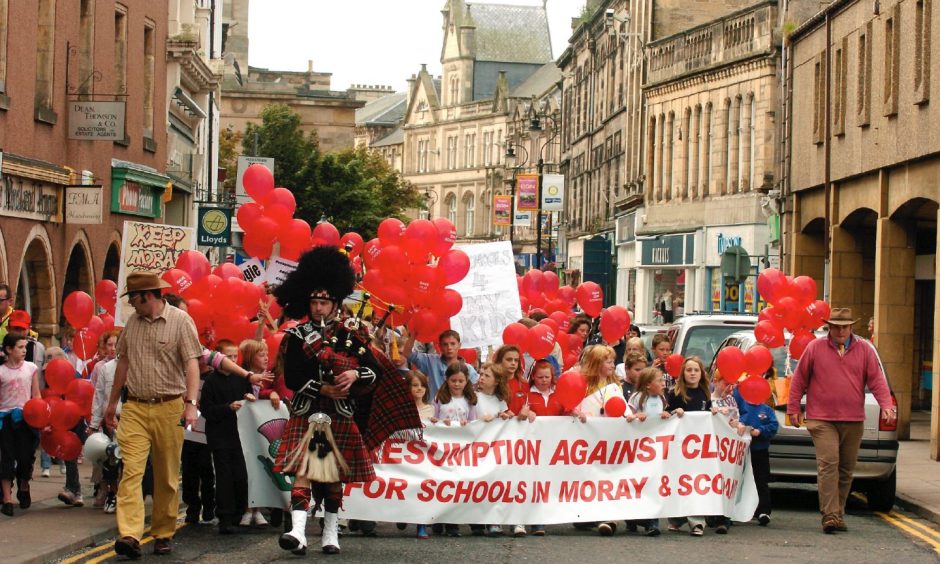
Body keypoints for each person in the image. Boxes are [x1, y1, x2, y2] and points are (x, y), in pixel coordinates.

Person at [272, 246, 422, 555]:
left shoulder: (354, 332)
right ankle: (298, 532)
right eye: (313, 301)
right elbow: (292, 379)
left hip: (340, 413)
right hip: (309, 409)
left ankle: (330, 532)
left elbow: (373, 372)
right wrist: (323, 389)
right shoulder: (297, 335)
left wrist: (354, 377)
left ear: (336, 302)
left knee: (333, 478)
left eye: (324, 302)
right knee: (303, 470)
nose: (318, 308)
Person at [104, 272, 203, 559]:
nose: (131, 303)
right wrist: (112, 404)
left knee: (167, 476)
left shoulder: (181, 321)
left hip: (170, 405)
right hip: (134, 406)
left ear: (148, 295)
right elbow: (123, 363)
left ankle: (162, 532)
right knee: (131, 471)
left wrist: (191, 403)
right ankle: (130, 535)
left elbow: (192, 364)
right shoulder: (132, 324)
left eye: (133, 297)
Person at [787, 307, 895, 534]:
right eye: (835, 326)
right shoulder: (814, 348)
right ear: (829, 327)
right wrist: (793, 408)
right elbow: (799, 380)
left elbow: (876, 381)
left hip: (853, 418)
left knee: (846, 469)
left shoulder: (864, 350)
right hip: (821, 418)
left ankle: (839, 511)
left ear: (851, 327)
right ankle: (830, 515)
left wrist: (886, 405)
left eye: (844, 326)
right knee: (829, 464)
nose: (840, 330)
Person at [200, 341, 255, 535]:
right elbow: (206, 410)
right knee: (224, 477)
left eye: (235, 357)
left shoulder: (240, 378)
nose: (233, 361)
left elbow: (249, 394)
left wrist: (248, 398)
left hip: (239, 434)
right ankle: (225, 516)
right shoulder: (211, 382)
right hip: (220, 435)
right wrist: (227, 408)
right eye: (228, 357)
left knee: (240, 474)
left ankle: (240, 512)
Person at [570, 345, 623, 536]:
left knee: (609, 475)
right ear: (597, 363)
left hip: (610, 439)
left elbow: (622, 409)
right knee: (590, 475)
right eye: (608, 361)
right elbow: (570, 404)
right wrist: (574, 410)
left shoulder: (615, 385)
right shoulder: (582, 384)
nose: (612, 365)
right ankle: (588, 513)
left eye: (612, 361)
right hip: (589, 439)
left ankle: (610, 516)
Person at [666, 356, 712, 536]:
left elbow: (709, 416)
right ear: (683, 373)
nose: (692, 374)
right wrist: (672, 412)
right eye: (689, 370)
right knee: (680, 482)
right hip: (679, 447)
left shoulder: (706, 393)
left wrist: (714, 413)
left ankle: (697, 521)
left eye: (696, 370)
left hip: (699, 450)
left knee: (697, 482)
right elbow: (666, 415)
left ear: (701, 374)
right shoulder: (675, 394)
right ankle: (676, 519)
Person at [431, 361, 477, 537]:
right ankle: (438, 520)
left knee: (457, 485)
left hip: (461, 451)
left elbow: (474, 422)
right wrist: (440, 423)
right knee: (441, 484)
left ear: (466, 382)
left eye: (460, 381)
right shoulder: (439, 398)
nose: (457, 384)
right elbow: (432, 419)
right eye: (453, 381)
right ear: (447, 380)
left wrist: (467, 424)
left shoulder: (469, 400)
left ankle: (453, 523)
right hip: (442, 449)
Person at [625, 367, 670, 536]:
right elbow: (628, 416)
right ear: (649, 384)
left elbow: (661, 416)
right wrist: (637, 416)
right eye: (659, 381)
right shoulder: (637, 398)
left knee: (653, 483)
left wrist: (666, 414)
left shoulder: (661, 398)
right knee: (638, 483)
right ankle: (632, 519)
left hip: (656, 449)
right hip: (639, 448)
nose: (662, 383)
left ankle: (652, 522)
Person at [0, 334, 41, 516]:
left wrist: (41, 415)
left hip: (26, 418)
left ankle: (24, 484)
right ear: (9, 349)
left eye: (25, 347)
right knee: (6, 459)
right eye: (20, 347)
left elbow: (36, 394)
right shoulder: (1, 372)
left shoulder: (31, 368)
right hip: (5, 420)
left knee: (25, 457)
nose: (24, 350)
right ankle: (7, 498)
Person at [737, 395, 779, 528]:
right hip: (741, 451)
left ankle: (763, 511)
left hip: (760, 450)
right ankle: (737, 509)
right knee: (739, 480)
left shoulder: (766, 410)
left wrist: (760, 430)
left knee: (761, 480)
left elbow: (773, 425)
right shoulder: (741, 408)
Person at [404, 329, 478, 398]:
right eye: (445, 344)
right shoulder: (431, 361)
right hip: (436, 409)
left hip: (459, 410)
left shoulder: (468, 369)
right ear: (439, 346)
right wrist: (414, 334)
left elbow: (476, 388)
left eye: (453, 344)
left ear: (459, 345)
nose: (449, 347)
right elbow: (407, 353)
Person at [494, 345, 527, 418]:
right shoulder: (493, 383)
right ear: (500, 361)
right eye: (509, 359)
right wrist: (502, 412)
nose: (513, 363)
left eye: (516, 360)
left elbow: (529, 404)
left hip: (520, 427)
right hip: (500, 427)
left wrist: (529, 410)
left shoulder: (524, 383)